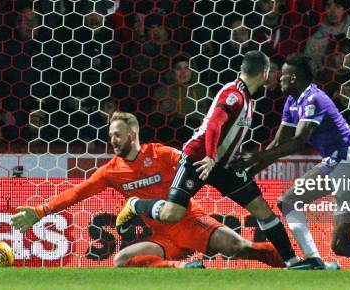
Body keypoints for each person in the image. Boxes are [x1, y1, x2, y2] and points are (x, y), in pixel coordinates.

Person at [117, 51, 323, 269]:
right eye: (270, 71)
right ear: (263, 73)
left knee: (263, 210)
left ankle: (292, 262)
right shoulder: (234, 94)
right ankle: (135, 204)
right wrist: (210, 156)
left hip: (223, 165)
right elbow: (215, 123)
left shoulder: (249, 99)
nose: (272, 76)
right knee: (172, 213)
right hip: (198, 159)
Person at [11, 112, 284, 269]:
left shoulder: (162, 154)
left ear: (132, 133)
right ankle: (182, 268)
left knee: (242, 247)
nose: (113, 141)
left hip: (190, 221)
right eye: (110, 137)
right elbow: (78, 192)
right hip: (162, 237)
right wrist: (39, 211)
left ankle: (294, 263)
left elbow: (195, 166)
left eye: (117, 135)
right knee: (122, 260)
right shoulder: (111, 171)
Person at [233, 53, 350, 267]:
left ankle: (312, 260)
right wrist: (250, 172)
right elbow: (277, 145)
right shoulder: (292, 102)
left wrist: (253, 158)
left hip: (349, 160)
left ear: (292, 77)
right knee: (341, 245)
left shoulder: (314, 98)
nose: (278, 78)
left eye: (282, 74)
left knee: (288, 201)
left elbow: (299, 141)